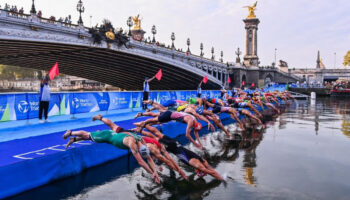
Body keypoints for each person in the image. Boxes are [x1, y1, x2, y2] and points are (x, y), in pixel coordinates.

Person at [63, 128, 161, 184]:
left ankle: (73, 140)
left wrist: (155, 171)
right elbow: (141, 162)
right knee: (87, 135)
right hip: (108, 136)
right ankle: (71, 132)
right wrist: (152, 173)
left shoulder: (141, 140)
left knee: (91, 138)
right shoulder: (133, 145)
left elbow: (148, 158)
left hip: (112, 134)